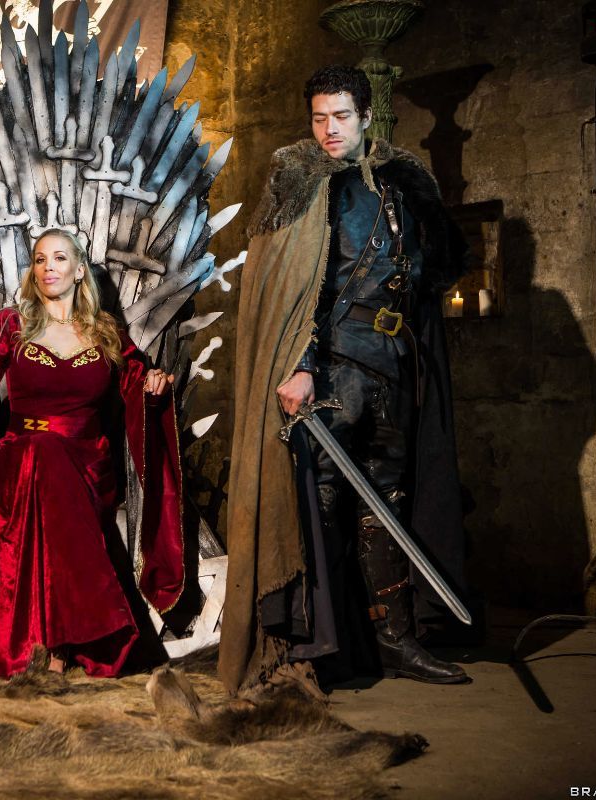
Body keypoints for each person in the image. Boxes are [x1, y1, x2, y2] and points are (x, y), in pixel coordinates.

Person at [219, 65, 470, 694]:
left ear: (365, 116)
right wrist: (299, 365)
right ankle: (315, 647)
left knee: (387, 501)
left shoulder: (402, 180)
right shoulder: (299, 180)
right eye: (319, 118)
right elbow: (293, 287)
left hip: (392, 365)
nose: (329, 130)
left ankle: (395, 640)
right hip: (331, 370)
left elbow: (430, 271)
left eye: (341, 117)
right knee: (322, 502)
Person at [0, 229, 184, 678]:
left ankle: (55, 642)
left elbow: (135, 381)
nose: (49, 267)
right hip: (22, 455)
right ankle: (69, 642)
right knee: (41, 453)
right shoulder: (11, 325)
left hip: (88, 462)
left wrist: (153, 385)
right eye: (40, 259)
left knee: (51, 461)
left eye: (60, 258)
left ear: (79, 270)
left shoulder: (105, 331)